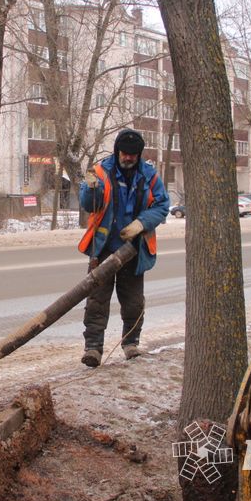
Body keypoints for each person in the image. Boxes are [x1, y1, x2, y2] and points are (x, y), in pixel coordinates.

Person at [77, 128, 170, 367]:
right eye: (125, 153)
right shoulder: (100, 172)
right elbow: (89, 205)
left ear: (139, 155)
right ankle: (93, 348)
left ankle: (131, 344)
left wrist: (142, 223)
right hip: (104, 249)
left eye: (133, 154)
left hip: (133, 250)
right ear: (118, 151)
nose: (128, 158)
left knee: (133, 301)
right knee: (97, 300)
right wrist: (90, 189)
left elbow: (162, 205)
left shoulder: (149, 176)